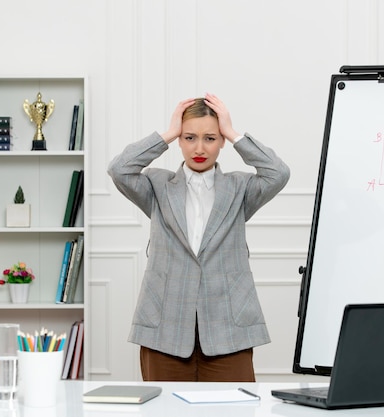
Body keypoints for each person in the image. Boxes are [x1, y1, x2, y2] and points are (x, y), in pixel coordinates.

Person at [107, 93, 290, 381]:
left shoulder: (240, 188)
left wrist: (232, 131)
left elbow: (278, 173)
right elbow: (119, 169)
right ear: (180, 140)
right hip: (164, 328)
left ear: (221, 142)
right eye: (190, 137)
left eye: (211, 138)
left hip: (229, 328)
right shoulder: (158, 185)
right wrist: (167, 133)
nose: (199, 148)